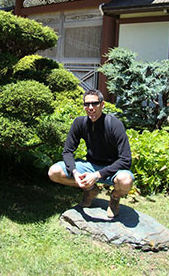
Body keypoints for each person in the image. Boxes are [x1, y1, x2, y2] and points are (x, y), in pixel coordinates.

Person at [48, 89, 134, 218]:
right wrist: (75, 173)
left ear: (102, 104)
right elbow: (67, 151)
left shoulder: (114, 124)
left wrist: (97, 175)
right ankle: (90, 190)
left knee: (126, 180)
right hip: (90, 165)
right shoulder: (80, 123)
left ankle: (115, 198)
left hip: (112, 170)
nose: (90, 108)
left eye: (94, 103)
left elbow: (126, 159)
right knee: (54, 172)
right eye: (87, 104)